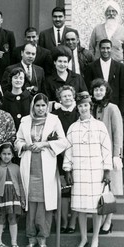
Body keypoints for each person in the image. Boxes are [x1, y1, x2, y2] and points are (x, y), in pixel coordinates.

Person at [15, 93, 69, 247]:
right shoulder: (25, 120)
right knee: (31, 205)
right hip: (29, 166)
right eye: (37, 105)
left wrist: (45, 144)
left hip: (46, 166)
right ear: (33, 106)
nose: (40, 108)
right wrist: (26, 146)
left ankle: (43, 240)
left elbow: (64, 141)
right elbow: (17, 140)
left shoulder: (54, 120)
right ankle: (31, 239)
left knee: (45, 205)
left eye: (43, 105)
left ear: (47, 106)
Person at [63, 91, 112, 247]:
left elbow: (106, 149)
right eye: (80, 106)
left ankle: (95, 238)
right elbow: (68, 151)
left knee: (95, 207)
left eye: (86, 105)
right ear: (77, 108)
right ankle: (83, 238)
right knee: (81, 208)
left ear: (90, 107)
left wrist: (107, 171)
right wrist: (67, 169)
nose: (83, 108)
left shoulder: (100, 126)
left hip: (96, 171)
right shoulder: (73, 128)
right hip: (79, 172)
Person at [90, 79, 123, 234]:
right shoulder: (90, 108)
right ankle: (100, 220)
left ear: (106, 91)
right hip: (94, 156)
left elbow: (118, 133)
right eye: (95, 90)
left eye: (101, 90)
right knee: (98, 191)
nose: (98, 92)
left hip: (109, 156)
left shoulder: (112, 108)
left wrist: (117, 155)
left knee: (110, 190)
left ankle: (108, 221)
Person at [52, 85, 79, 234]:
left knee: (76, 190)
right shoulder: (54, 115)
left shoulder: (78, 113)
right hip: (60, 157)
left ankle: (73, 222)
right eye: (64, 96)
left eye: (69, 95)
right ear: (59, 98)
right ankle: (63, 222)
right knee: (63, 191)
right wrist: (64, 156)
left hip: (78, 157)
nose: (67, 98)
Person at [0, 143, 25, 247]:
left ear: (13, 155)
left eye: (9, 154)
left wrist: (22, 198)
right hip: (2, 196)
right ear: (0, 155)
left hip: (14, 196)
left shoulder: (16, 168)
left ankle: (14, 243)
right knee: (0, 218)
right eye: (4, 154)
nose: (6, 156)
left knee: (12, 218)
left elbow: (20, 184)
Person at [84, 38, 124, 116]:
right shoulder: (91, 67)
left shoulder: (119, 67)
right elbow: (88, 88)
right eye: (103, 48)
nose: (105, 50)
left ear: (111, 49)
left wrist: (122, 111)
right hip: (96, 107)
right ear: (99, 49)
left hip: (115, 106)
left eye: (108, 48)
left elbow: (123, 90)